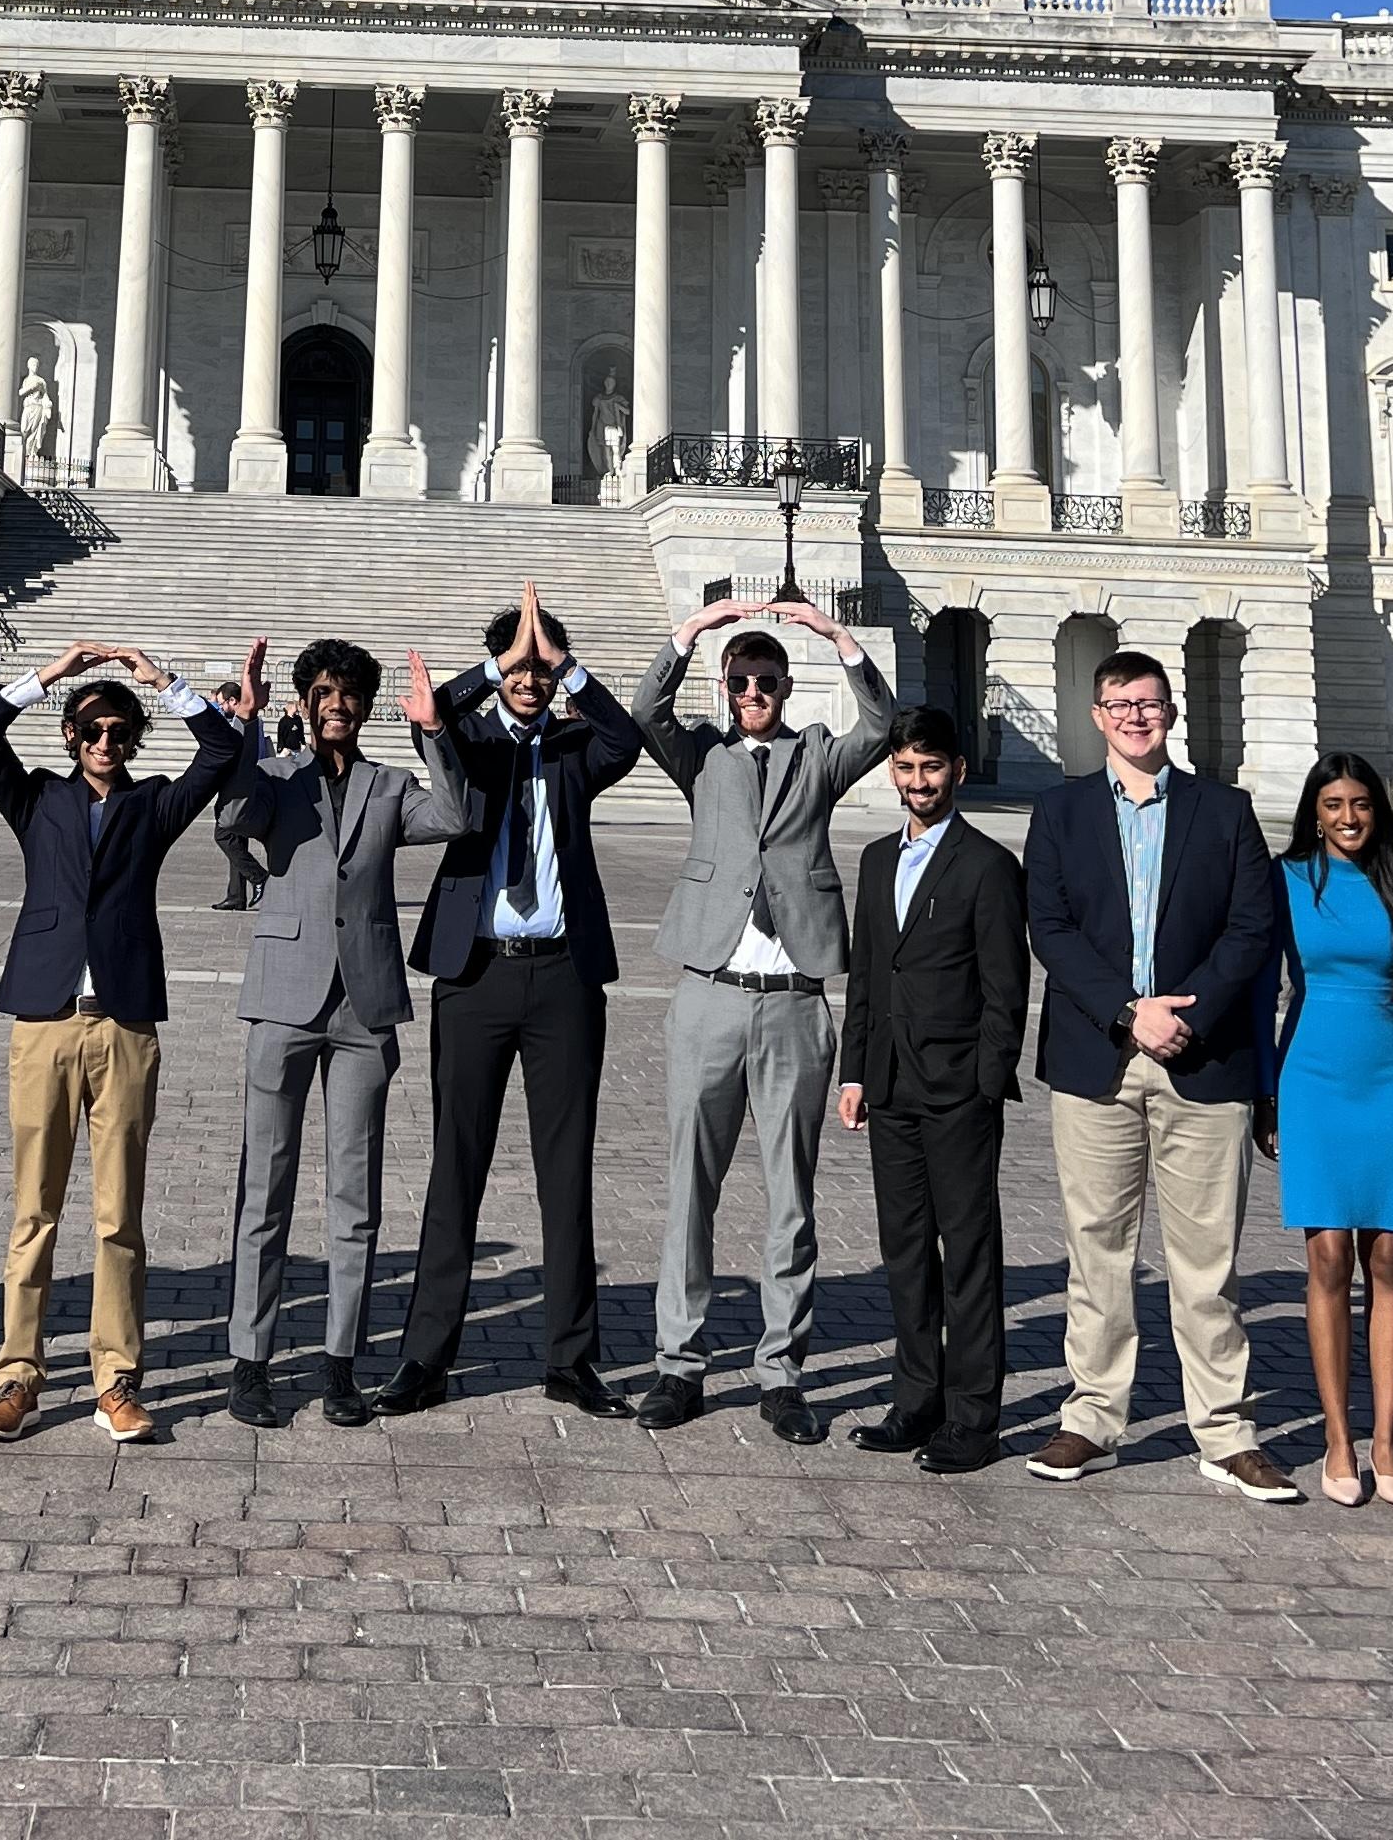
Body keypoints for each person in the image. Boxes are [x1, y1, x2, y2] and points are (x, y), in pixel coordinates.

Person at [1022, 650, 1298, 1501]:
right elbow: (1049, 926)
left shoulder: (1226, 811)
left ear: (1170, 713)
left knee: (1205, 1259)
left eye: (1149, 702)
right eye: (1119, 703)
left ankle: (1223, 1429)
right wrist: (1127, 1010)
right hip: (1098, 1055)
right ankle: (1092, 1417)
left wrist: (1188, 1012)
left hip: (1202, 1057)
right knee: (1096, 1250)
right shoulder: (1061, 810)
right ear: (1097, 716)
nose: (1135, 716)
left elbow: (1252, 929)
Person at [0, 640, 254, 1442]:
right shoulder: (35, 801)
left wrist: (162, 683)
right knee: (34, 1210)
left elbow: (223, 747)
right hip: (45, 1018)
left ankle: (116, 1378)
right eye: (90, 729)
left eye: (117, 731)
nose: (103, 742)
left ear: (131, 739)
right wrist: (53, 673)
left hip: (123, 1022)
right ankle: (16, 1375)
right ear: (67, 735)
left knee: (118, 1214)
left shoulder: (153, 804)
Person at [631, 594, 897, 1444]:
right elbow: (644, 709)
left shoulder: (817, 755)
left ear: (785, 688)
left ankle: (781, 1369)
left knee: (791, 1195)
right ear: (723, 684)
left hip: (792, 1002)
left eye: (767, 682)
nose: (753, 692)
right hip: (710, 989)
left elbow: (883, 724)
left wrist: (835, 637)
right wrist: (692, 633)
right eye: (741, 681)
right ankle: (679, 1363)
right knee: (690, 1187)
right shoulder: (700, 756)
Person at [378, 586, 647, 1417]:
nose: (529, 679)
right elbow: (436, 718)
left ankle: (571, 1360)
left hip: (563, 974)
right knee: (454, 1166)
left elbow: (627, 736)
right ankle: (424, 1356)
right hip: (476, 973)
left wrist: (563, 662)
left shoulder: (576, 746)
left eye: (541, 667)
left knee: (564, 1171)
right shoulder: (470, 738)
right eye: (518, 667)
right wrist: (496, 662)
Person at [219, 636, 474, 1430]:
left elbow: (458, 813)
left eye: (350, 692)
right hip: (283, 998)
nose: (337, 703)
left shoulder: (389, 784)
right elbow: (230, 820)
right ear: (304, 700)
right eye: (323, 691)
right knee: (265, 1186)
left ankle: (338, 1362)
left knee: (353, 1193)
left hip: (363, 1005)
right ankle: (250, 1359)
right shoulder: (275, 777)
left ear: (364, 704)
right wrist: (246, 731)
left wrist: (433, 731)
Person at [837, 708, 1029, 1473]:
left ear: (955, 769)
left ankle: (974, 1415)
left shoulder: (986, 864)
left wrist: (984, 1082)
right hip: (887, 1085)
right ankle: (915, 1398)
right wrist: (853, 1070)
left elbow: (1005, 990)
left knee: (969, 1253)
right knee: (905, 1249)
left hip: (956, 1091)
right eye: (906, 767)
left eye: (932, 768)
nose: (918, 782)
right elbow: (865, 974)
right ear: (892, 768)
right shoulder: (876, 858)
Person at [1269, 753, 1393, 1507]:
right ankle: (1338, 1438)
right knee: (1329, 1258)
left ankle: (1386, 1439)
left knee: (1389, 1259)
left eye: (1361, 804)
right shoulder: (1282, 881)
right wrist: (1258, 1094)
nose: (1347, 816)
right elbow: (1249, 981)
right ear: (1313, 810)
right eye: (1334, 803)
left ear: (1378, 811)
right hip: (1308, 1078)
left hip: (1387, 1080)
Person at [211, 676, 268, 912]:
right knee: (236, 838)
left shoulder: (239, 723)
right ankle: (236, 896)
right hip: (248, 784)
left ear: (233, 701)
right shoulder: (254, 722)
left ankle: (259, 877)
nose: (222, 707)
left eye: (223, 703)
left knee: (223, 835)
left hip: (238, 787)